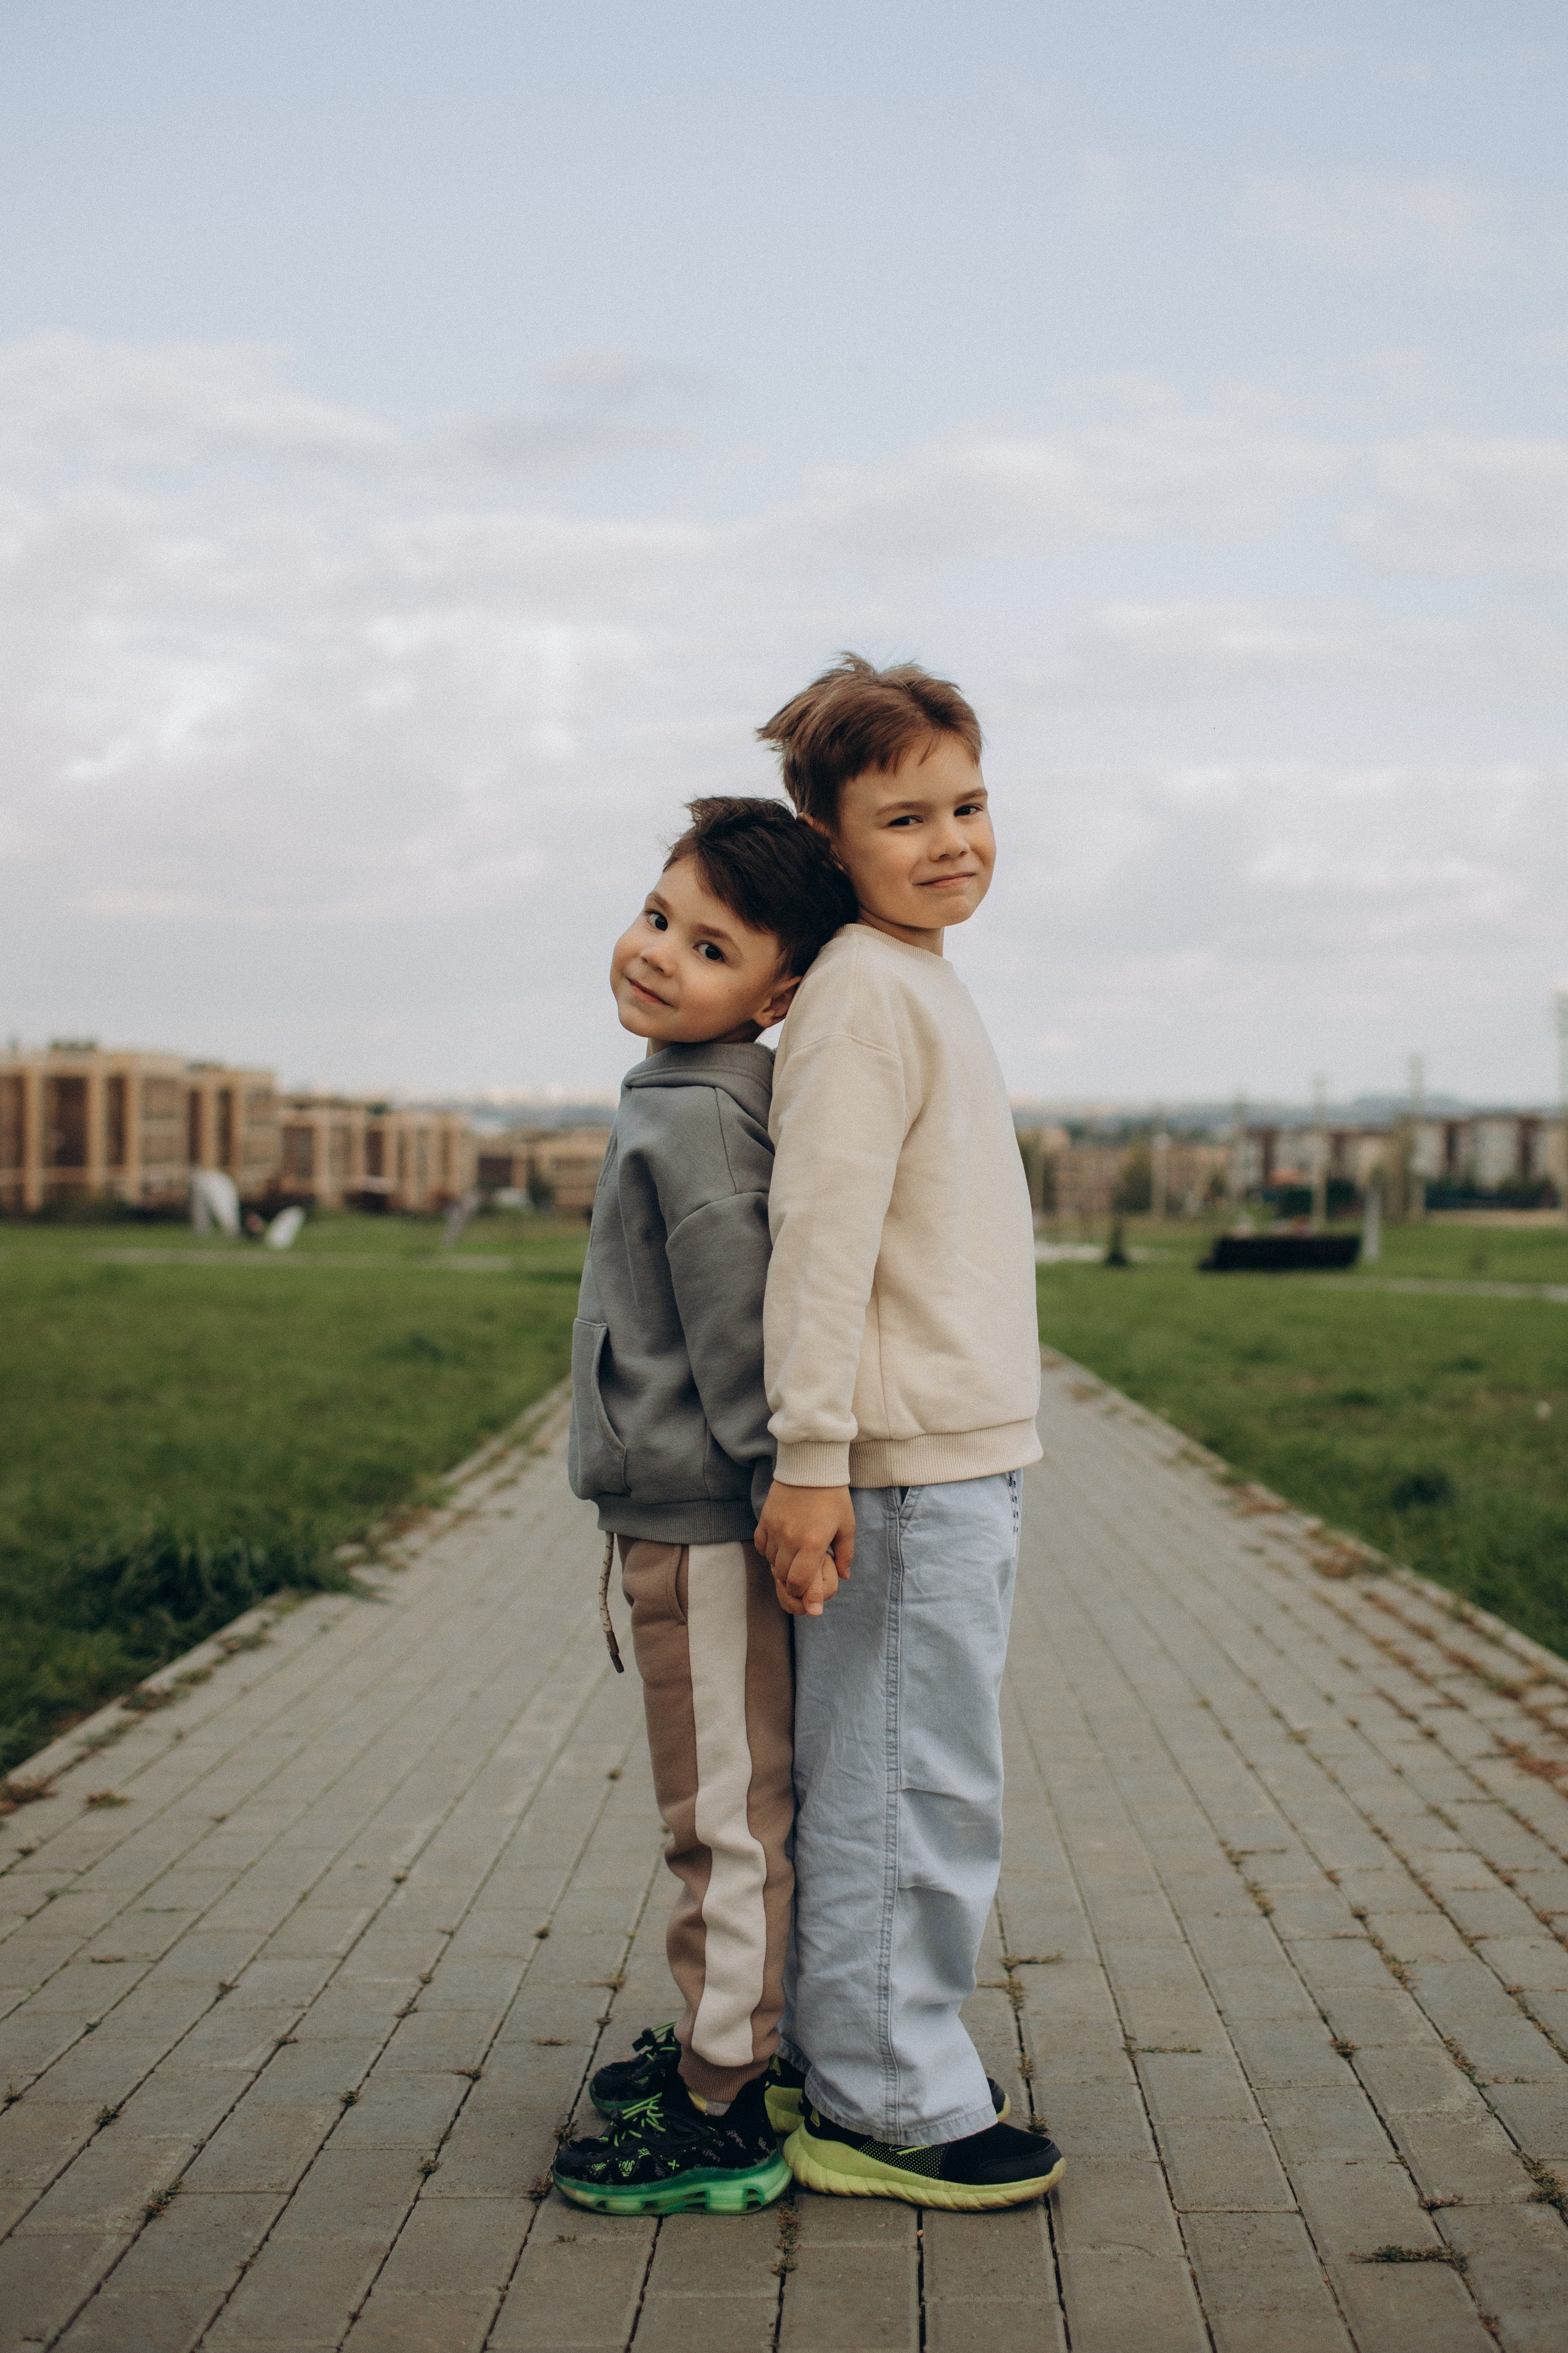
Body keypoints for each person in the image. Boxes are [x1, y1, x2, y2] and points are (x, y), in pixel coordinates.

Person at [753, 654, 1067, 2211]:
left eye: (969, 802)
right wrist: (811, 1459)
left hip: (958, 1459)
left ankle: (870, 2047)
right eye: (904, 816)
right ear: (827, 836)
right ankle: (881, 2100)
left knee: (916, 1771)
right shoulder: (868, 994)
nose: (951, 839)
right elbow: (818, 1240)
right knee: (903, 1781)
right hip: (894, 1474)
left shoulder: (909, 973)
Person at [552, 795, 857, 2217]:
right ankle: (731, 2036)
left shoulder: (705, 1123)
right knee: (722, 1800)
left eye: (709, 944)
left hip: (707, 1531)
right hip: (671, 1517)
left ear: (776, 993)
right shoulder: (678, 1090)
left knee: (723, 1815)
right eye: (658, 914)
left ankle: (722, 2096)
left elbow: (741, 1344)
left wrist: (772, 1503)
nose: (657, 953)